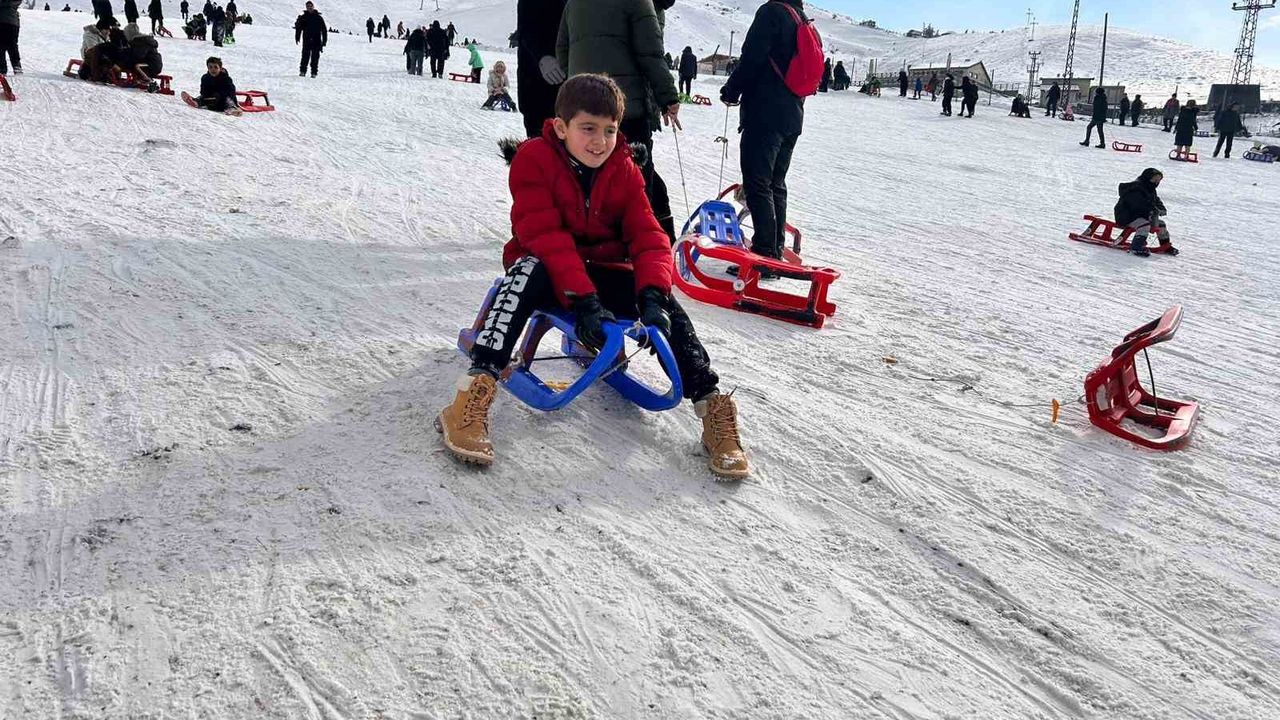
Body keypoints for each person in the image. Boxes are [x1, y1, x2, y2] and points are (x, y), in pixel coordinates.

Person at [438, 74, 748, 479]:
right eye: (588, 128)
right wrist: (583, 300)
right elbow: (545, 236)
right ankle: (473, 391)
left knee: (663, 302)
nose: (600, 141)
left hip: (601, 273)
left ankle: (710, 402)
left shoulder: (624, 168)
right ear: (561, 127)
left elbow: (648, 235)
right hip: (549, 270)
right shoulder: (534, 160)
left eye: (609, 130)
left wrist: (653, 294)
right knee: (526, 270)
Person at [557, 0, 683, 244]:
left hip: (583, 109)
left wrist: (579, 87)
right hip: (626, 107)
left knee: (588, 174)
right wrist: (668, 97)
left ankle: (591, 241)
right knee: (635, 179)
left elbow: (563, 49)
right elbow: (651, 54)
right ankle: (639, 244)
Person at [720, 0, 817, 263]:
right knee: (776, 183)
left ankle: (764, 252)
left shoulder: (772, 12)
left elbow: (752, 58)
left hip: (765, 112)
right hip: (792, 115)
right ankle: (774, 247)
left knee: (757, 182)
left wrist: (731, 90)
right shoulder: (800, 18)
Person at [516, 0, 567, 138]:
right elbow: (527, 29)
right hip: (538, 85)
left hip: (572, 87)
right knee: (541, 140)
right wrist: (542, 56)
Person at [1114, 168, 1176, 257]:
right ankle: (1136, 246)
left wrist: (1161, 209)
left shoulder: (1150, 189)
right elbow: (1138, 204)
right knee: (1144, 225)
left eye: (1158, 181)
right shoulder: (1135, 188)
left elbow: (1156, 201)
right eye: (1154, 180)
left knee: (1161, 224)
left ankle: (1165, 245)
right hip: (1127, 216)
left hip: (1142, 215)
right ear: (1147, 178)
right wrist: (1153, 209)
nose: (1156, 182)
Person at [294, 1, 326, 77]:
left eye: (310, 6)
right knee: (305, 57)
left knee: (315, 58)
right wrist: (297, 37)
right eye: (308, 6)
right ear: (306, 7)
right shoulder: (303, 17)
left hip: (316, 40)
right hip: (307, 40)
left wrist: (324, 41)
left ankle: (314, 73)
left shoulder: (318, 18)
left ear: (313, 6)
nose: (309, 8)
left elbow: (324, 30)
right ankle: (302, 71)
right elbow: (299, 28)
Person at [0, 0, 21, 76]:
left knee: (11, 44)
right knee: (4, 45)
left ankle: (16, 66)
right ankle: (2, 68)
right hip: (9, 20)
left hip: (10, 21)